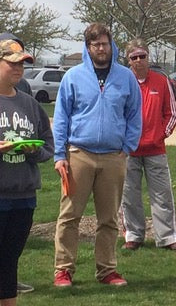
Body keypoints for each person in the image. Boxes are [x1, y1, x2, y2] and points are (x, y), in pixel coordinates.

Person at [52, 23, 142, 287]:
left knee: (109, 218)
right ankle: (64, 270)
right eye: (95, 45)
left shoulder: (126, 77)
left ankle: (107, 270)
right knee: (69, 216)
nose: (101, 49)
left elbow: (135, 115)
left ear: (111, 44)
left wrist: (127, 148)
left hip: (114, 156)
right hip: (79, 153)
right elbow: (61, 118)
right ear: (88, 47)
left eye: (104, 43)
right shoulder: (73, 77)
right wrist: (60, 154)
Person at [0, 39, 54, 305]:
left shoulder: (29, 104)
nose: (19, 69)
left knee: (9, 262)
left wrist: (32, 150)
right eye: (13, 63)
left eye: (23, 65)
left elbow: (47, 145)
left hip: (22, 197)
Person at [120, 38, 176, 251]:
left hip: (155, 149)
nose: (138, 61)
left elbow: (171, 113)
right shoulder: (122, 83)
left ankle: (167, 237)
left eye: (142, 56)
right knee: (129, 195)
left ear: (148, 57)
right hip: (129, 151)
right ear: (128, 60)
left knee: (162, 195)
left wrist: (161, 135)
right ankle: (133, 235)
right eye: (134, 57)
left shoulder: (161, 81)